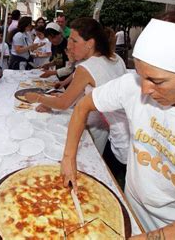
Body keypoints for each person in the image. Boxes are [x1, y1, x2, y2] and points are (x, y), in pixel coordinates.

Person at [61, 12, 175, 238]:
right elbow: (83, 106)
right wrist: (69, 158)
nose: (145, 90)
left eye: (156, 81)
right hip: (128, 207)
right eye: (141, 76)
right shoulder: (132, 85)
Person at [25, 18, 128, 156]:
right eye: (69, 40)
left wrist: (38, 98)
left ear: (90, 43)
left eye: (74, 41)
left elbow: (63, 103)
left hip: (104, 132)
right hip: (121, 129)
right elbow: (84, 93)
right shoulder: (115, 57)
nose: (69, 46)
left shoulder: (86, 67)